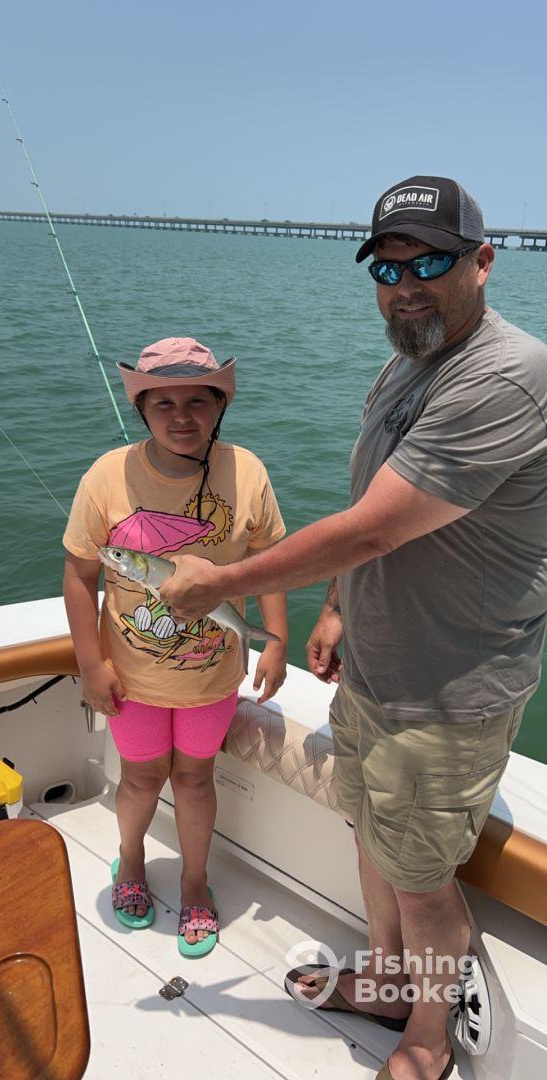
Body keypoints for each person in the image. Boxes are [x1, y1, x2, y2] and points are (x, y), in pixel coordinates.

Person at [159, 178, 547, 1076]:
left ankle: (427, 1038)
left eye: (430, 262)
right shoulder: (407, 362)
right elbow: (372, 501)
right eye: (386, 268)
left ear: (483, 263)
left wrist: (218, 583)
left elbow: (375, 527)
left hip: (444, 691)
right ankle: (386, 982)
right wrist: (335, 606)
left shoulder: (506, 376)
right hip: (375, 666)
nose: (405, 286)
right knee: (372, 838)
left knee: (420, 878)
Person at [63, 336, 287, 957]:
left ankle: (194, 880)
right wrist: (90, 665)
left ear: (220, 406)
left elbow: (269, 561)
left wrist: (276, 641)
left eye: (197, 401)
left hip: (212, 676)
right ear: (141, 409)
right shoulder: (107, 476)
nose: (181, 416)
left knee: (194, 780)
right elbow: (79, 575)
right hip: (131, 677)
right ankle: (131, 859)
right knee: (139, 780)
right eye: (163, 402)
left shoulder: (248, 471)